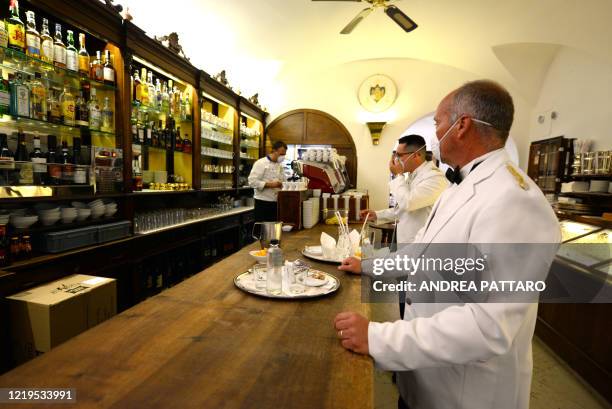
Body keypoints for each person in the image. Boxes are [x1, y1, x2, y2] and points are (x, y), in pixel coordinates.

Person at [333, 80, 561, 409]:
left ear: (462, 126)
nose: (435, 134)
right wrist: (368, 265)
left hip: (466, 394)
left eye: (438, 123)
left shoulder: (515, 200)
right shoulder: (459, 187)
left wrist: (380, 337)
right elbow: (423, 254)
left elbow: (489, 325)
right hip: (427, 379)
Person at [361, 134, 448, 244]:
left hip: (420, 243)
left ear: (416, 155)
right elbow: (403, 209)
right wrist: (377, 214)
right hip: (406, 240)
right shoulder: (412, 175)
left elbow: (408, 203)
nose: (396, 160)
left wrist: (398, 175)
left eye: (399, 155)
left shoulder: (435, 177)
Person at [248, 140, 288, 222]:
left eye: (284, 154)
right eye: (281, 154)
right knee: (262, 231)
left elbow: (284, 180)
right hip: (263, 203)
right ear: (274, 151)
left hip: (276, 203)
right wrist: (270, 184)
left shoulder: (279, 166)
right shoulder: (260, 163)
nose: (283, 157)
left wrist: (283, 184)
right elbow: (252, 182)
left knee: (273, 230)